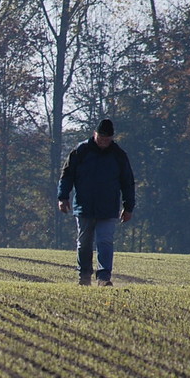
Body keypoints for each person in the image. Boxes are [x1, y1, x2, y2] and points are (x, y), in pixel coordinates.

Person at [57, 118, 135, 286]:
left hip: (108, 208)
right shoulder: (81, 151)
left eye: (107, 139)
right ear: (95, 134)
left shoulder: (119, 155)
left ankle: (103, 277)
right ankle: (84, 276)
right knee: (84, 243)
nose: (103, 142)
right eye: (101, 138)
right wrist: (63, 197)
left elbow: (127, 182)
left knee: (104, 241)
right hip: (84, 206)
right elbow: (67, 175)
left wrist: (128, 207)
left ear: (112, 138)